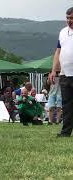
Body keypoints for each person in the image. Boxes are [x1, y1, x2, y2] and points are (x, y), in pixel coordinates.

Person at [49, 7, 73, 137]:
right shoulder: (63, 32)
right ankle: (66, 132)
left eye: (72, 18)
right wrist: (54, 70)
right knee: (67, 104)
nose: (69, 21)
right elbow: (58, 51)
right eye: (67, 18)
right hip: (65, 74)